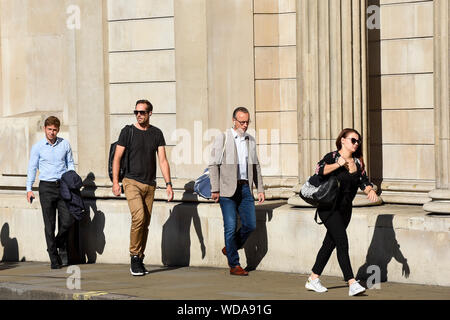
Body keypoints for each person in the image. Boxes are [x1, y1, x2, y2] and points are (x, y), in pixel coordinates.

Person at [305, 128, 379, 296]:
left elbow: (363, 181)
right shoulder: (331, 157)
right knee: (342, 242)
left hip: (345, 209)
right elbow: (319, 172)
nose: (356, 143)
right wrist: (338, 164)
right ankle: (351, 282)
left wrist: (370, 190)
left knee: (329, 244)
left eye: (358, 141)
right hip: (328, 208)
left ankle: (313, 279)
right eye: (353, 140)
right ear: (343, 140)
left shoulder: (358, 162)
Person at [112, 99, 174, 276]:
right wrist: (116, 182)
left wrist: (168, 184)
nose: (139, 115)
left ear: (150, 114)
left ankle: (139, 257)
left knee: (145, 223)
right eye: (136, 112)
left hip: (150, 184)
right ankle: (133, 256)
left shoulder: (156, 133)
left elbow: (162, 160)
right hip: (131, 181)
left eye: (142, 112)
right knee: (138, 217)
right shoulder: (127, 131)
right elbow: (117, 157)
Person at [209, 107, 265, 276]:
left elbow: (256, 166)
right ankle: (234, 265)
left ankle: (230, 248)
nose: (245, 125)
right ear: (234, 121)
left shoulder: (250, 140)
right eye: (242, 122)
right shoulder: (223, 138)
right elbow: (213, 164)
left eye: (247, 122)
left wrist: (260, 188)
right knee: (230, 227)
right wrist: (215, 189)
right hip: (227, 190)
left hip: (245, 188)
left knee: (250, 224)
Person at [26, 116, 75, 269]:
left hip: (62, 186)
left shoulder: (65, 144)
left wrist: (72, 181)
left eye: (55, 130)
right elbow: (32, 168)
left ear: (58, 130)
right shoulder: (38, 147)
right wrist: (29, 189)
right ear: (44, 129)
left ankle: (59, 243)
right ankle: (54, 258)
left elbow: (70, 164)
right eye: (49, 129)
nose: (52, 132)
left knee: (67, 220)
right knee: (49, 225)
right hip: (46, 187)